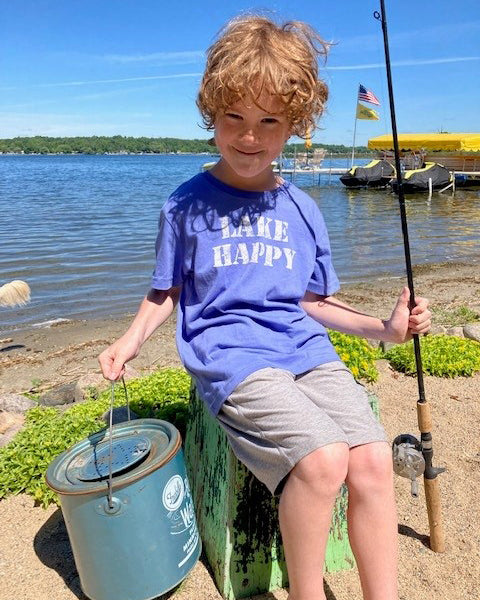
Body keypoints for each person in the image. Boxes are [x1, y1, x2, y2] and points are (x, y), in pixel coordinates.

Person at [99, 15, 431, 600]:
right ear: (212, 114)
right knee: (324, 459)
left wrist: (385, 328)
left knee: (376, 459)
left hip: (304, 349)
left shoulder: (301, 207)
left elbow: (314, 301)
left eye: (269, 120)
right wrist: (130, 340)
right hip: (231, 356)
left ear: (294, 127)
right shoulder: (185, 204)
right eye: (235, 117)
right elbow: (166, 291)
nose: (249, 136)